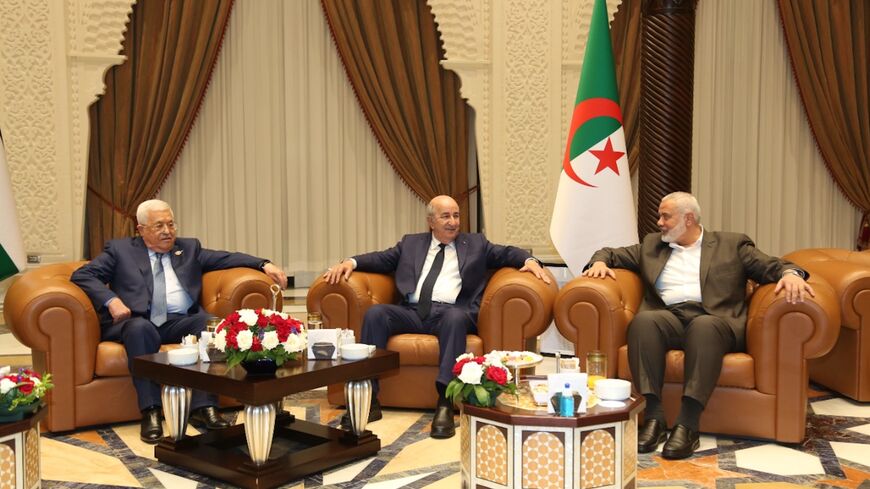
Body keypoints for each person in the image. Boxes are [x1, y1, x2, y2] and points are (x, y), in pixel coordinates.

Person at [582, 192, 814, 459]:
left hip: (715, 321)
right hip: (670, 317)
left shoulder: (731, 244)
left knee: (704, 327)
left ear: (688, 219)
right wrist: (599, 262)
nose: (659, 222)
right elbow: (610, 253)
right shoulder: (652, 245)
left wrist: (790, 274)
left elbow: (770, 265)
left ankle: (688, 424)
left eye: (666, 217)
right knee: (644, 322)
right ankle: (654, 418)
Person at [323, 195, 551, 438]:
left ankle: (444, 402)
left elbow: (506, 253)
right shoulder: (411, 243)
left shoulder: (475, 244)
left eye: (456, 215)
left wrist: (530, 260)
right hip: (412, 311)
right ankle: (369, 400)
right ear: (431, 221)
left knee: (454, 318)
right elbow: (381, 258)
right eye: (446, 216)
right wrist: (351, 262)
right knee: (376, 314)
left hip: (451, 313)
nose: (453, 222)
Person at [71, 199, 287, 443]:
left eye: (171, 224)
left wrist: (263, 264)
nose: (167, 231)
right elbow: (83, 275)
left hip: (179, 320)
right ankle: (151, 411)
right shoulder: (120, 250)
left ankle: (204, 407)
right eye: (159, 226)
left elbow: (226, 258)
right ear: (141, 230)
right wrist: (111, 301)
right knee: (140, 329)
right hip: (138, 321)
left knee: (208, 324)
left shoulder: (189, 248)